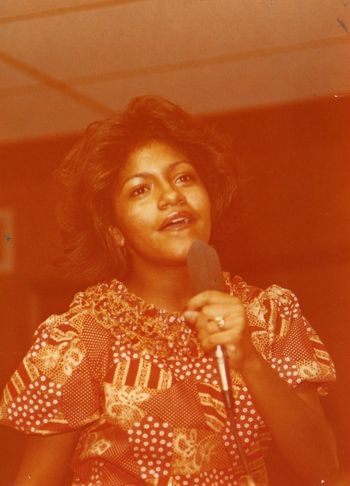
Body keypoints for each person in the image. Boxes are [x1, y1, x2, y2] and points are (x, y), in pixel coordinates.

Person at [0, 96, 339, 486]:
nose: (171, 196)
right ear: (115, 231)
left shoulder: (269, 316)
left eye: (184, 178)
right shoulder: (83, 336)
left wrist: (250, 358)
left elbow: (322, 472)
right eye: (141, 190)